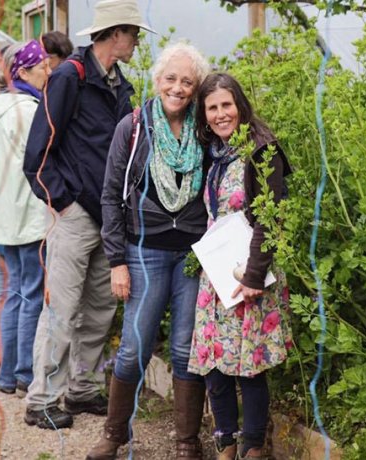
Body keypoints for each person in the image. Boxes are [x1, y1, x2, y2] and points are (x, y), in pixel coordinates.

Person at [23, 0, 155, 430]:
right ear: (115, 35)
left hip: (109, 216)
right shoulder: (69, 78)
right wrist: (64, 202)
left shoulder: (121, 87)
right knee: (61, 309)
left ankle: (81, 389)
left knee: (98, 308)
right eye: (133, 33)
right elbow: (37, 152)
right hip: (76, 213)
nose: (136, 41)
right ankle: (41, 399)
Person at [87, 42, 211, 460]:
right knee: (135, 346)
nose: (177, 87)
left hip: (194, 255)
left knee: (184, 349)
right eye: (171, 78)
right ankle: (113, 434)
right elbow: (109, 196)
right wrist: (116, 260)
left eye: (187, 81)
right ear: (157, 81)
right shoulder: (134, 127)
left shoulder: (205, 128)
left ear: (196, 89)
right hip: (145, 252)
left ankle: (186, 443)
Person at [188, 73, 293, 459]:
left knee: (249, 365)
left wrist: (252, 275)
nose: (220, 115)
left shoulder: (262, 150)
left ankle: (252, 447)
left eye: (226, 105)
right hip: (216, 273)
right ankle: (225, 443)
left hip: (249, 272)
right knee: (215, 363)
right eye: (212, 108)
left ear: (240, 106)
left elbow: (271, 216)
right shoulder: (215, 152)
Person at [0, 40, 51, 395]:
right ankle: (24, 373)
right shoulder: (29, 111)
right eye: (43, 67)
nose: (48, 73)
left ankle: (5, 374)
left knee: (8, 295)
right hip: (28, 216)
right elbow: (36, 164)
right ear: (22, 72)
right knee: (31, 294)